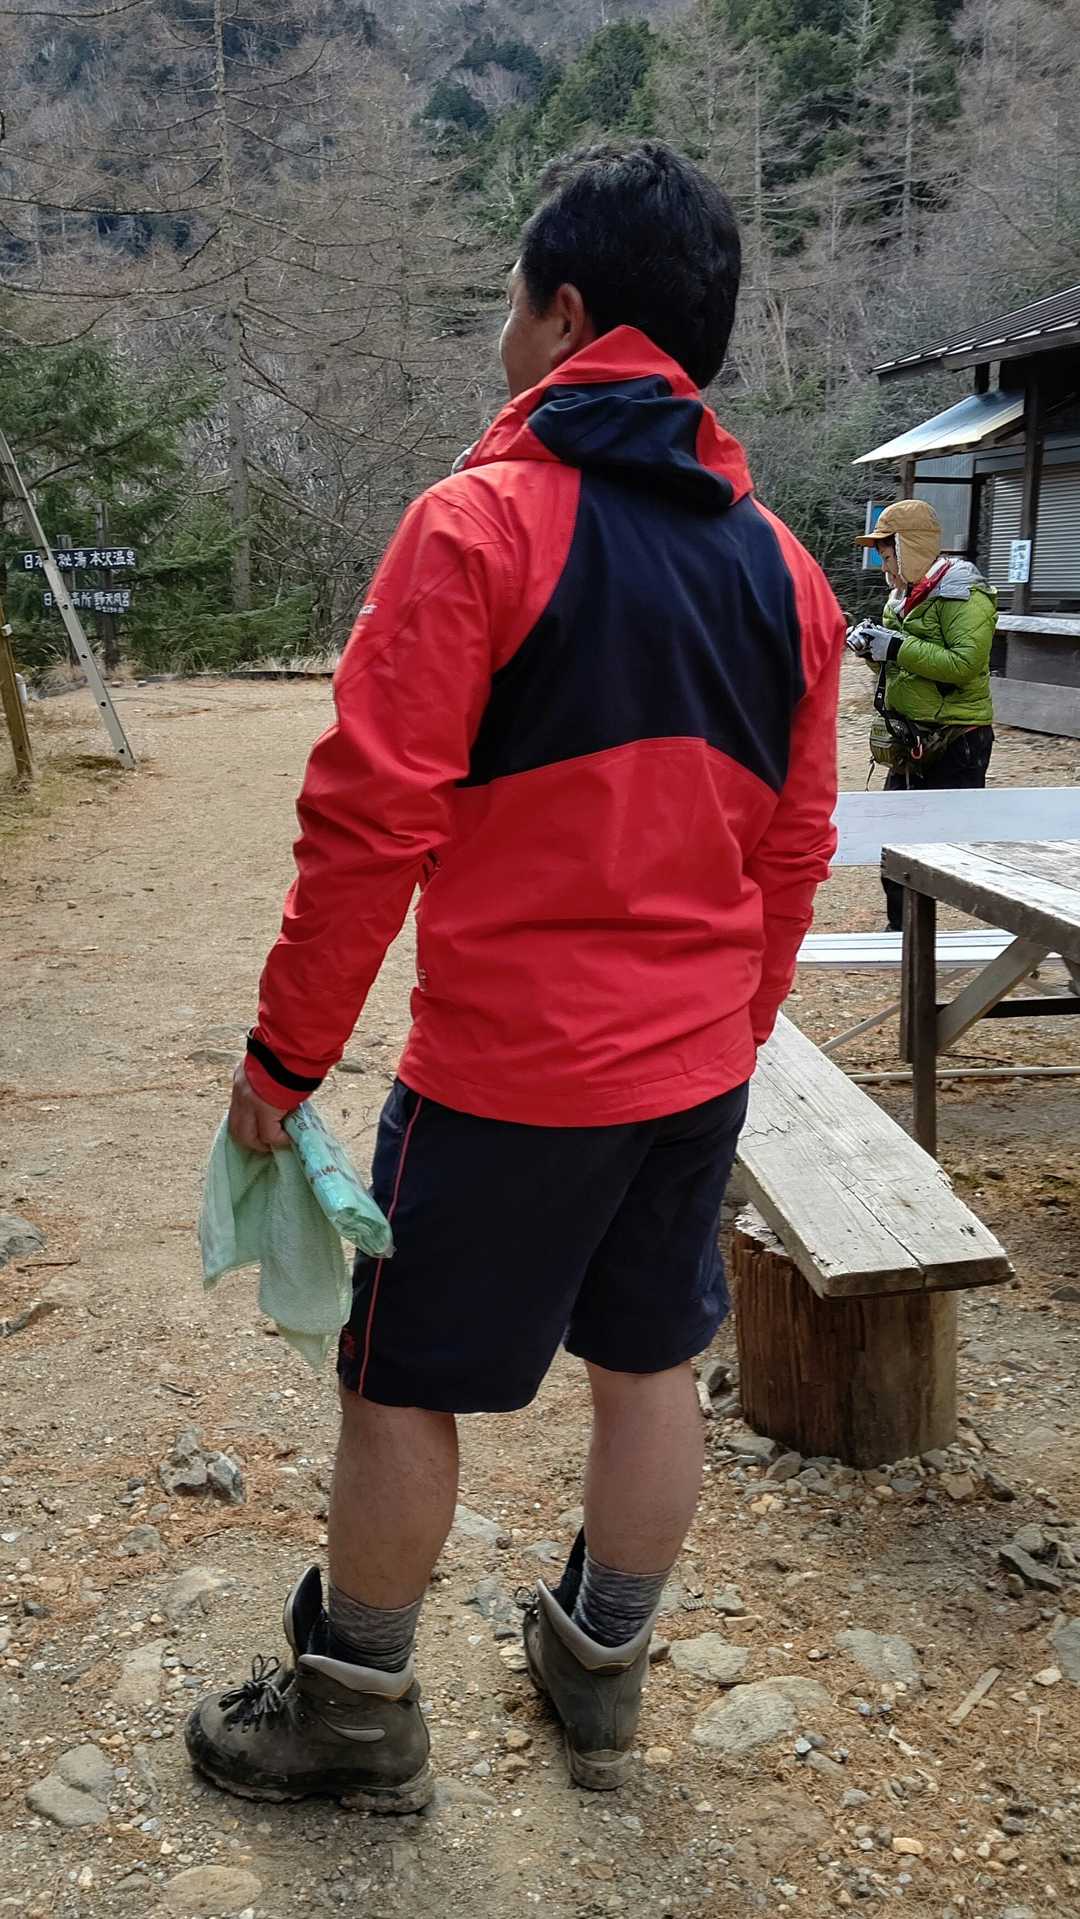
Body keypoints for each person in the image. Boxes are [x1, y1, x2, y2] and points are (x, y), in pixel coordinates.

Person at [185, 139, 845, 1811]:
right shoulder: (789, 574)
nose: (502, 331)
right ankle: (598, 1668)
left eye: (508, 300)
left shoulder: (478, 525)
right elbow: (793, 849)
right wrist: (729, 1027)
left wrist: (283, 1060)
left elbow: (365, 826)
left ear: (563, 314)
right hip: (693, 1070)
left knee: (398, 1374)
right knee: (648, 1359)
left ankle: (354, 1712)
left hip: (506, 1076)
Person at [852, 497, 996, 931]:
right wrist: (873, 651)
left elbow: (964, 664)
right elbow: (902, 667)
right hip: (911, 738)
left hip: (958, 738)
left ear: (909, 547)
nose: (884, 567)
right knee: (895, 842)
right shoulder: (901, 598)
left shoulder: (964, 594)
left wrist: (895, 646)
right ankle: (901, 932)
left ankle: (930, 939)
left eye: (888, 555)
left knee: (948, 849)